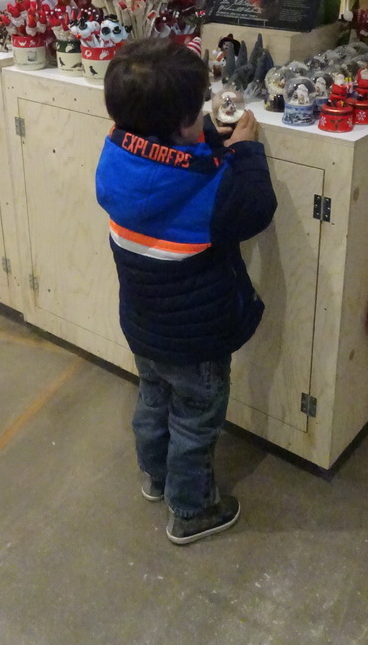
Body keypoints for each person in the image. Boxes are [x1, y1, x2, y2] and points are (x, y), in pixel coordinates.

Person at [95, 38, 277, 545]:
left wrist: (210, 140)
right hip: (197, 339)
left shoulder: (116, 154)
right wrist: (244, 148)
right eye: (198, 110)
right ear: (181, 125)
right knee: (196, 422)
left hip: (143, 325)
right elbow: (255, 208)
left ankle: (155, 477)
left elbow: (175, 163)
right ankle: (192, 509)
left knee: (153, 400)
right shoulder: (211, 188)